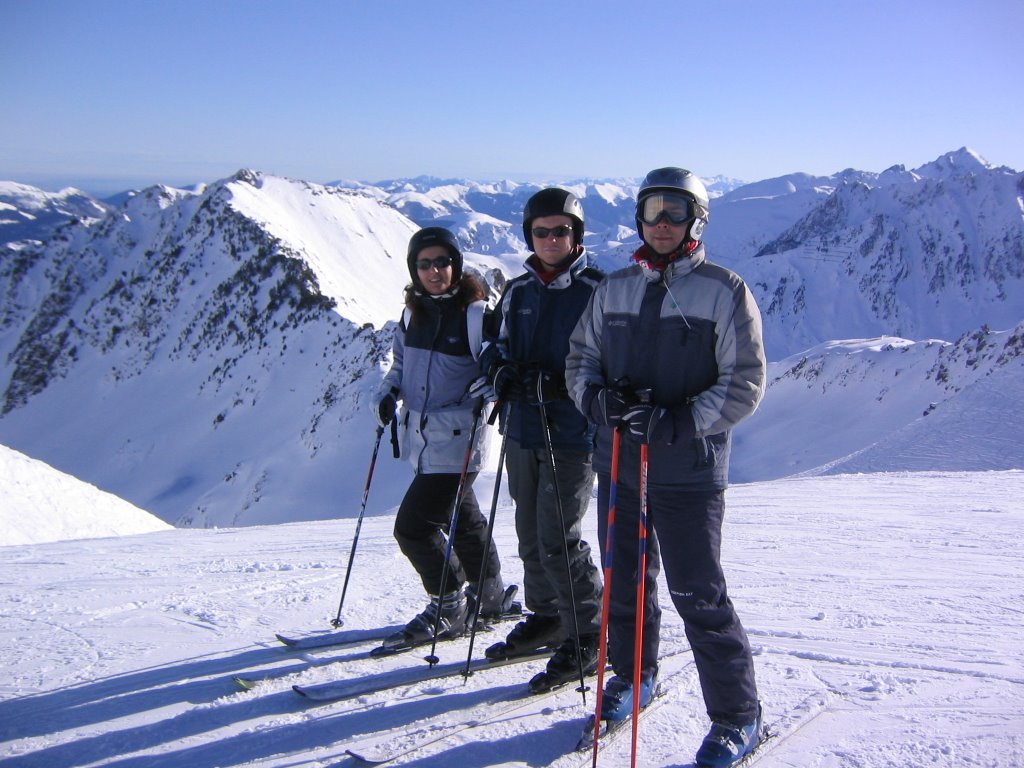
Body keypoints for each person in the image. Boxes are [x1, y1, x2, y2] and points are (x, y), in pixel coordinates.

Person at [565, 168, 767, 767]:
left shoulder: (723, 290)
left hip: (688, 474)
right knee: (624, 579)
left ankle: (738, 714)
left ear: (694, 221)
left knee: (696, 592)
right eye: (652, 209)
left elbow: (745, 381)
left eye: (674, 210)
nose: (661, 222)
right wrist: (598, 400)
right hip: (620, 464)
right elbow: (580, 359)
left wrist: (680, 421)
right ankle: (633, 677)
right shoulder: (616, 288)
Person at [480, 188, 605, 693]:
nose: (552, 239)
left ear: (576, 235)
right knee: (530, 533)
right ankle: (549, 616)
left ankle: (589, 633)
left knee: (559, 537)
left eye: (562, 231)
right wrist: (500, 371)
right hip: (522, 428)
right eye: (541, 231)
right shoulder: (517, 291)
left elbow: (613, 357)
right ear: (529, 235)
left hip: (572, 434)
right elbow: (494, 344)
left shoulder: (598, 289)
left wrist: (564, 383)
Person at [371, 226, 516, 653]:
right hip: (423, 438)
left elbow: (498, 360)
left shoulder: (475, 315)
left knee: (414, 528)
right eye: (425, 264)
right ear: (414, 270)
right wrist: (389, 393)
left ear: (456, 264)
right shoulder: (411, 315)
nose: (435, 271)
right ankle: (488, 597)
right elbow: (400, 363)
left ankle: (449, 605)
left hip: (459, 440)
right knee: (465, 519)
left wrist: (493, 380)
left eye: (443, 262)